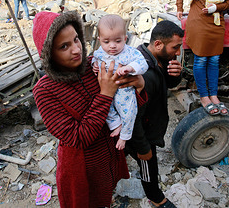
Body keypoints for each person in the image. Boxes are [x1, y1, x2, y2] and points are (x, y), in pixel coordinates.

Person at [32, 11, 147, 208]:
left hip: (109, 156)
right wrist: (105, 94)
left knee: (105, 196)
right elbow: (78, 138)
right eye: (64, 46)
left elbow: (124, 102)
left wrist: (139, 85)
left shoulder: (93, 66)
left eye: (76, 39)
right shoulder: (45, 91)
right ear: (49, 54)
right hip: (83, 168)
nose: (77, 49)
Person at [126, 20, 184, 208]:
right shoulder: (144, 73)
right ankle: (157, 199)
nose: (177, 52)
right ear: (158, 44)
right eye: (175, 47)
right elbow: (133, 118)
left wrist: (175, 76)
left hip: (149, 125)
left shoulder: (157, 58)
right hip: (141, 133)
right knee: (148, 164)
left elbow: (166, 84)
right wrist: (143, 148)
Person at [92, 14, 148, 150]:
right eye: (106, 42)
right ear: (99, 40)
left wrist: (131, 68)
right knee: (106, 110)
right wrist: (94, 65)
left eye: (117, 41)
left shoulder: (129, 52)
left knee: (129, 112)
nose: (112, 46)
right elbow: (95, 58)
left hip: (124, 90)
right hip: (105, 90)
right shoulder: (99, 52)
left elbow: (142, 64)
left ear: (125, 38)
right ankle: (116, 125)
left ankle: (124, 136)